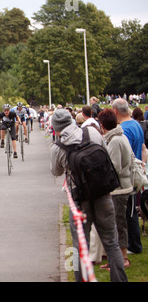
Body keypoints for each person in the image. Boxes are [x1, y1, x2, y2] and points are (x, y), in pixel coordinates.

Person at [50, 109, 128, 282]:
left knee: (80, 248)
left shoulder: (58, 147)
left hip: (79, 200)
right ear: (71, 121)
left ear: (55, 128)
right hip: (103, 194)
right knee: (111, 243)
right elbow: (105, 154)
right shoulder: (92, 132)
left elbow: (56, 171)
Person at [98, 108, 133, 268]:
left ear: (103, 125)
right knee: (115, 224)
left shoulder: (115, 141)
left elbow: (114, 167)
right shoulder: (118, 138)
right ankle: (116, 257)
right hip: (120, 187)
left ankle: (123, 258)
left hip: (119, 189)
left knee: (118, 224)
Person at [112, 98, 144, 254]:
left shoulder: (124, 129)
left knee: (128, 214)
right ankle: (134, 244)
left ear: (116, 111)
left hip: (128, 175)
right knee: (131, 211)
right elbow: (142, 148)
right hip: (135, 172)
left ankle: (133, 245)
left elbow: (125, 154)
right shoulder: (136, 124)